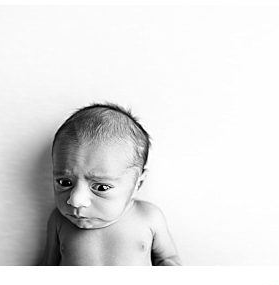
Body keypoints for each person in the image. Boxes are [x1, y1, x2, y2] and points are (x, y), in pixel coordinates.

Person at [41, 103, 181, 265]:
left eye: (101, 187)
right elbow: (48, 265)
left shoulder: (148, 216)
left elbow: (169, 258)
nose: (76, 201)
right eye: (65, 182)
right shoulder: (59, 220)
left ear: (138, 184)